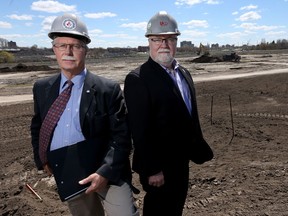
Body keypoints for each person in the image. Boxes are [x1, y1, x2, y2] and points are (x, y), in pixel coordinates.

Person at [30, 13, 138, 216]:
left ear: (85, 50)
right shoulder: (42, 88)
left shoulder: (108, 89)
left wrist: (103, 172)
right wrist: (42, 158)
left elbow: (122, 136)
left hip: (109, 171)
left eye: (76, 46)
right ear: (54, 49)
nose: (68, 52)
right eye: (62, 45)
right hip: (71, 173)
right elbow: (38, 126)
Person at [124, 11, 213, 216]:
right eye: (157, 39)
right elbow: (140, 130)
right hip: (159, 168)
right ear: (149, 41)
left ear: (176, 41)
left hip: (181, 161)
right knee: (159, 210)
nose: (164, 44)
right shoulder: (138, 79)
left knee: (175, 209)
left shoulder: (184, 73)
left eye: (170, 39)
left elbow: (189, 115)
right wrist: (153, 169)